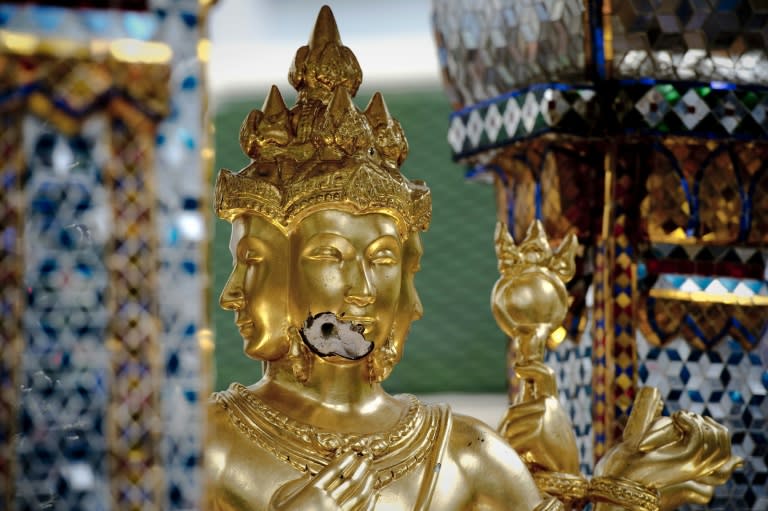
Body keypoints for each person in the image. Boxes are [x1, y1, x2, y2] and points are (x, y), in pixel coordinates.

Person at [205, 7, 739, 510]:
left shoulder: (466, 453)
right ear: (264, 269)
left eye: (384, 257)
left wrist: (629, 488)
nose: (362, 288)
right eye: (330, 254)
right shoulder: (211, 446)